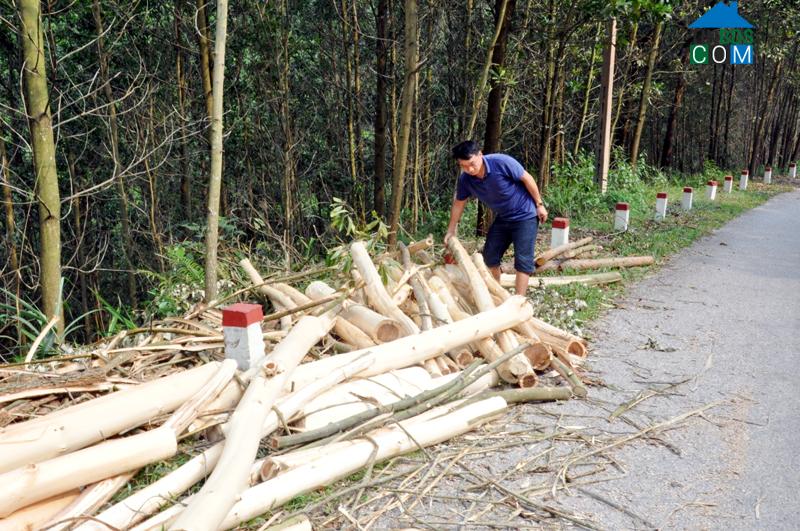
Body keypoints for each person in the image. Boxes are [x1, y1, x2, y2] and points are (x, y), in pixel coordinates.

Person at [444, 140, 548, 296]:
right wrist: (451, 230)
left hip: (525, 214)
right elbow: (459, 204)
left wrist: (539, 204)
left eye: (472, 163)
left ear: (480, 154)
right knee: (490, 257)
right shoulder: (466, 180)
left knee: (522, 260)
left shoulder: (501, 162)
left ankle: (519, 301)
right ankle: (497, 292)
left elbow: (527, 179)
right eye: (464, 166)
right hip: (504, 217)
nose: (470, 169)